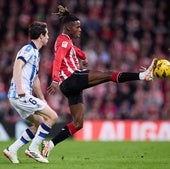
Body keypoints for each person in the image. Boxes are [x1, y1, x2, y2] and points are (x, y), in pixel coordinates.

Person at [41, 5, 157, 158]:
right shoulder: (63, 41)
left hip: (70, 86)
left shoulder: (65, 41)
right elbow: (57, 59)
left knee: (78, 124)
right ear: (69, 28)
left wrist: (83, 57)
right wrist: (55, 80)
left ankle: (50, 144)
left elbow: (75, 51)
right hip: (71, 79)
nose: (80, 30)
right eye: (77, 27)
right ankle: (143, 76)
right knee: (108, 75)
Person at [3, 21, 58, 163]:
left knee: (39, 123)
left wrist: (42, 98)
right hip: (20, 95)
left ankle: (12, 150)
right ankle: (33, 149)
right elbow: (17, 66)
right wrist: (20, 89)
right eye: (47, 34)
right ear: (41, 36)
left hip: (17, 96)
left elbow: (35, 80)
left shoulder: (35, 53)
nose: (48, 37)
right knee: (53, 117)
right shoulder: (28, 50)